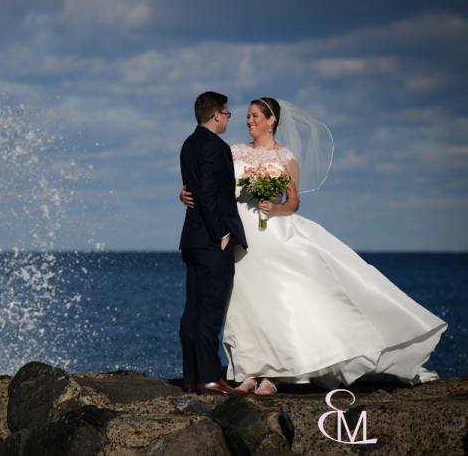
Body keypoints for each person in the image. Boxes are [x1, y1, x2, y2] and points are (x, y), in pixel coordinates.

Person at [180, 97, 447, 395]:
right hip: (239, 235)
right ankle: (251, 369)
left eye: (256, 116)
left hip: (271, 234)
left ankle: (278, 373)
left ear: (272, 121)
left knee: (279, 300)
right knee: (245, 304)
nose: (249, 121)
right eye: (247, 116)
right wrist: (185, 194)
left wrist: (274, 208)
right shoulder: (233, 152)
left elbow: (293, 202)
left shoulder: (285, 157)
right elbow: (211, 184)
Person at [178, 91, 248, 396]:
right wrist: (221, 232)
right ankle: (209, 378)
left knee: (193, 309)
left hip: (192, 239)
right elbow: (206, 192)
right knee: (210, 311)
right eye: (228, 114)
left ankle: (192, 377)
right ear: (217, 115)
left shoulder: (188, 143)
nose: (228, 119)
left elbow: (193, 189)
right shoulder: (216, 147)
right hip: (210, 241)